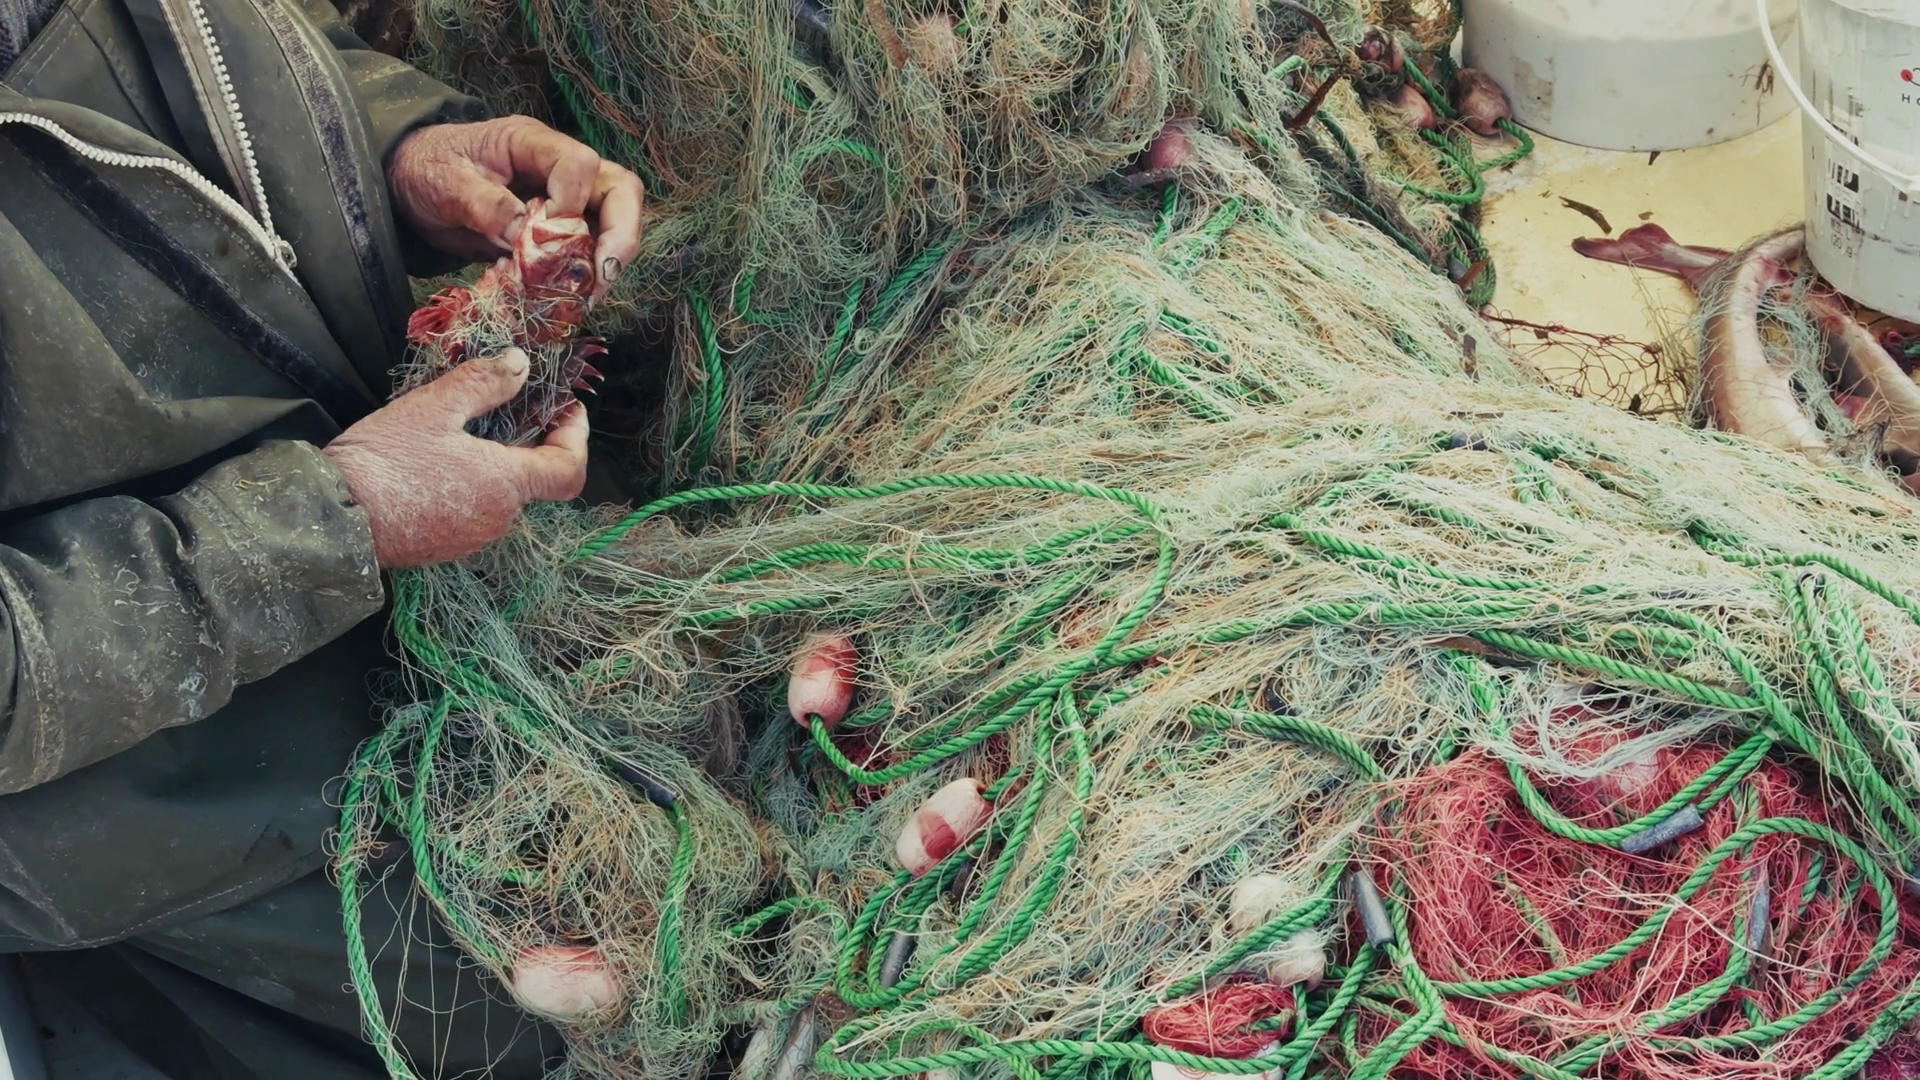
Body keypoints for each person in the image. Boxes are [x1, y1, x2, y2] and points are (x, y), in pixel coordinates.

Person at [0, 0, 644, 1071]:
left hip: (451, 523)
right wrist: (337, 517)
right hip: (208, 788)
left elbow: (206, 45)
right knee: (603, 991)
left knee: (733, 785)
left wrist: (390, 147)